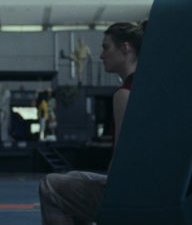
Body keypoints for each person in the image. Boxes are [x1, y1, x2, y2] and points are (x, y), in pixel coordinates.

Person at [39, 22, 144, 225]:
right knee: (72, 177)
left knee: (50, 185)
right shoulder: (152, 86)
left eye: (106, 47)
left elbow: (122, 159)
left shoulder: (125, 93)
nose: (101, 55)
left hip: (130, 195)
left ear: (126, 47)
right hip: (153, 187)